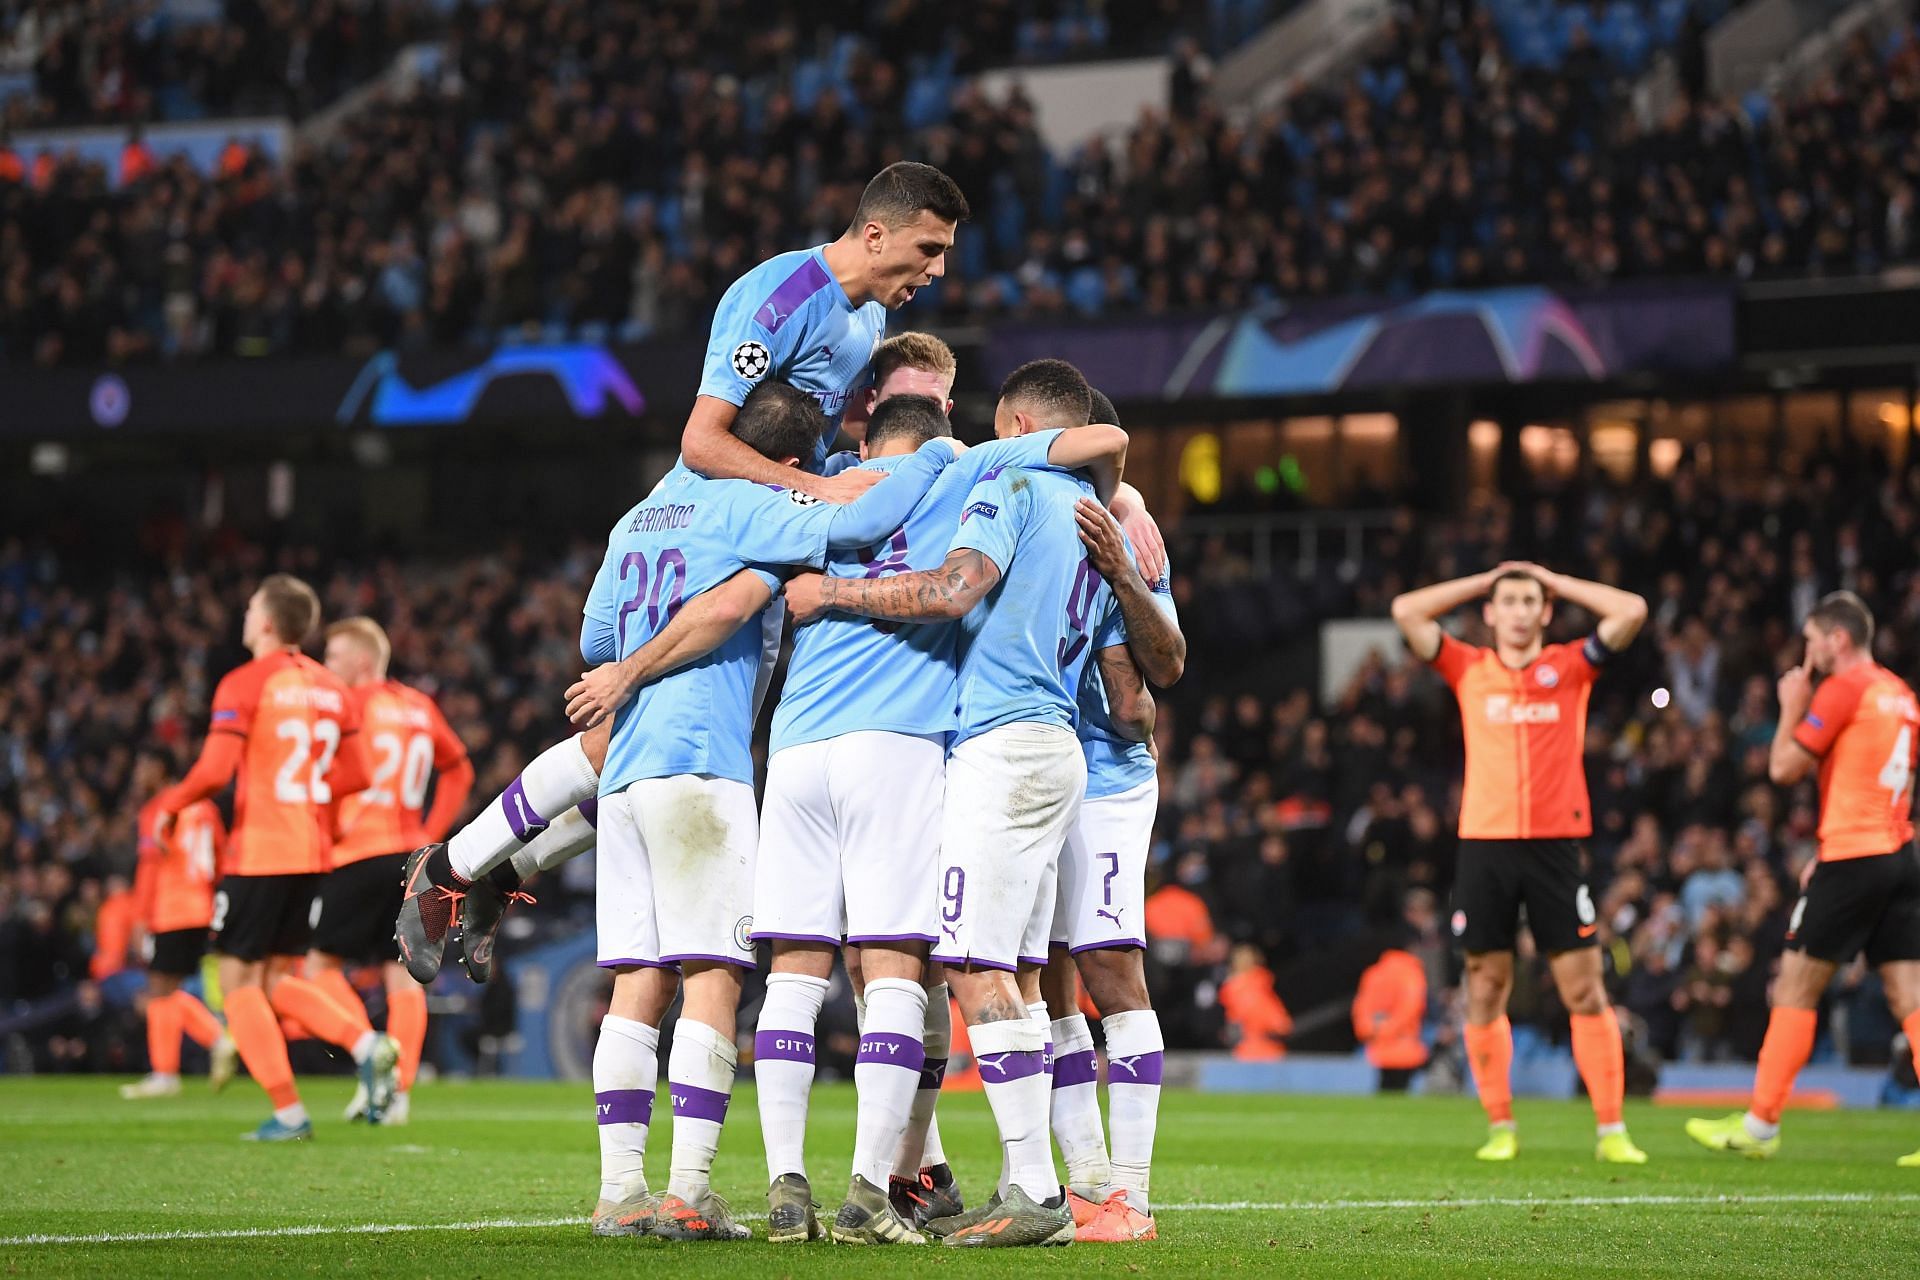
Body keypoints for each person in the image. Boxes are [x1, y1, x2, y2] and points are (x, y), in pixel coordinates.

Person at [398, 163, 977, 973]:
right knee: (651, 739)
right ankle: (453, 867)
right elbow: (702, 442)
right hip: (723, 519)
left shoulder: (866, 317)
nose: (938, 269)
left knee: (682, 746)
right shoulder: (777, 296)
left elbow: (809, 420)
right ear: (875, 233)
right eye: (929, 247)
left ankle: (501, 871)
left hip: (777, 521)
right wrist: (817, 487)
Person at [556, 379, 963, 1241]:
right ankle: (688, 1191)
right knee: (712, 977)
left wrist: (633, 663)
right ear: (783, 465)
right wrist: (930, 454)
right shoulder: (754, 505)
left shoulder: (639, 515)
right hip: (701, 763)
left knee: (637, 983)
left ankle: (617, 1191)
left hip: (624, 769)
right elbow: (834, 538)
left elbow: (597, 641)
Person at [783, 358, 1152, 1248]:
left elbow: (953, 590)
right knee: (1018, 976)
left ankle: (1034, 1192)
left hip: (1005, 748)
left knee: (972, 965)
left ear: (1016, 427)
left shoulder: (1011, 482)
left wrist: (831, 591)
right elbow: (1130, 688)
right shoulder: (1089, 517)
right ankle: (1041, 1183)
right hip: (1057, 748)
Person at [1390, 561, 1651, 1164]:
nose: (1518, 610)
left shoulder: (1571, 665)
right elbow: (1407, 609)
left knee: (1584, 988)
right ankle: (1500, 1125)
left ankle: (1612, 1131)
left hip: (1557, 845)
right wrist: (1481, 580)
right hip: (1484, 846)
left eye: (1530, 600)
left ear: (1545, 610)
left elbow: (1631, 610)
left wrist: (1556, 580)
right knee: (1485, 986)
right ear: (1490, 612)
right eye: (1506, 601)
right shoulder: (1467, 666)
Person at [152, 574, 394, 1141]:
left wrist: (171, 802)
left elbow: (213, 772)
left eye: (250, 607)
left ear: (265, 621)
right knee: (277, 977)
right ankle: (366, 1041)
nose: (244, 616)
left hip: (260, 850)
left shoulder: (244, 682)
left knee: (235, 980)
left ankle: (289, 1111)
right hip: (311, 850)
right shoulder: (332, 688)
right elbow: (358, 774)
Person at [1687, 592, 1920, 1165]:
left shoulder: (1843, 686)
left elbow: (1783, 766)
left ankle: (1761, 1124)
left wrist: (1793, 702)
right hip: (1898, 850)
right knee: (1909, 993)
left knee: (1794, 986)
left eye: (1812, 637)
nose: (1807, 649)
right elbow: (1902, 783)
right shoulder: (1901, 694)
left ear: (1836, 639)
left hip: (1854, 856)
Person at [1036, 388, 1186, 1244]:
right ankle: (1087, 1187)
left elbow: (1150, 690)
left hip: (1103, 778)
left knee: (1107, 966)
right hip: (1029, 772)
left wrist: (1127, 554)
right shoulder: (1041, 512)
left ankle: (1129, 1194)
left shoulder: (1120, 531)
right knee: (1048, 976)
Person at [315, 617, 474, 1125]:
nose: (327, 668)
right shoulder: (420, 706)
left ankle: (368, 1054)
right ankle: (397, 1095)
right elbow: (461, 767)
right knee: (403, 979)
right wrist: (432, 828)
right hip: (412, 857)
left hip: (358, 852)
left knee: (316, 970)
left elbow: (327, 777)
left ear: (362, 661)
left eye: (334, 657)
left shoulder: (349, 704)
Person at [121, 749, 236, 1100]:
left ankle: (202, 1047)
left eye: (144, 764)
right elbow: (221, 858)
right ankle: (180, 1062)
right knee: (168, 990)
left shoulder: (158, 810)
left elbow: (150, 868)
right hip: (202, 906)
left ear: (162, 769)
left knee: (159, 991)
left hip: (171, 908)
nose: (138, 772)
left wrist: (140, 918)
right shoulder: (206, 808)